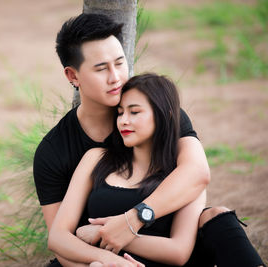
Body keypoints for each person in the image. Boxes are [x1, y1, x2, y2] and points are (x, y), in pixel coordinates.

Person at [33, 13, 209, 266]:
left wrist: (133, 220)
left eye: (119, 63)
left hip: (161, 246)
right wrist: (108, 262)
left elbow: (198, 172)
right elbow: (62, 246)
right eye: (101, 68)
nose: (116, 77)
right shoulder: (54, 151)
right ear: (73, 76)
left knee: (218, 218)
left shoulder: (157, 116)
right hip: (94, 258)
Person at [48, 73, 265, 267]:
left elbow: (178, 252)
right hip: (100, 263)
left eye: (134, 112)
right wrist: (112, 259)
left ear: (164, 115)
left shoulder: (181, 177)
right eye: (120, 112)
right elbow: (57, 237)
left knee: (221, 217)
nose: (123, 120)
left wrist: (108, 233)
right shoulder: (96, 158)